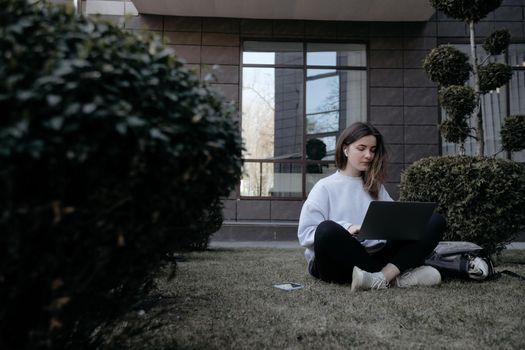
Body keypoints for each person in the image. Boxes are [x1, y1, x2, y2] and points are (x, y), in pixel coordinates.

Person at [297, 122, 445, 291]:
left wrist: (400, 225)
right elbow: (306, 233)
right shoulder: (324, 187)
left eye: (373, 150)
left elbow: (394, 222)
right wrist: (348, 228)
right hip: (335, 263)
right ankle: (396, 278)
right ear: (346, 149)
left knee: (434, 220)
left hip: (375, 256)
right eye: (361, 148)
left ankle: (382, 277)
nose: (368, 155)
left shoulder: (375, 186)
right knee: (326, 230)